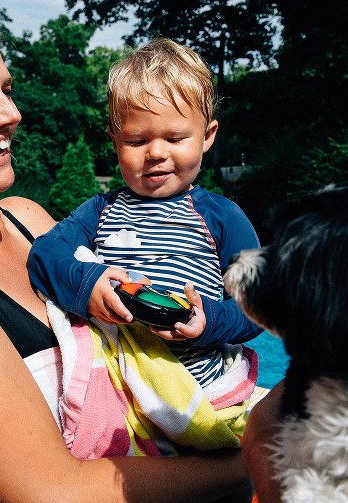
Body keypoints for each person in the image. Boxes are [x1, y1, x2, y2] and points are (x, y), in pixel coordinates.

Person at [0, 1, 251, 502]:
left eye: (6, 91)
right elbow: (51, 492)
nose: (11, 115)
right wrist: (257, 457)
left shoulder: (27, 220)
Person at [28, 38, 262, 388]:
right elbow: (44, 253)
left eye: (175, 138)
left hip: (199, 386)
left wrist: (207, 320)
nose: (155, 153)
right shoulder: (100, 210)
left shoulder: (222, 216)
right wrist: (88, 284)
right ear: (115, 141)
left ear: (207, 135)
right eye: (137, 141)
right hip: (116, 385)